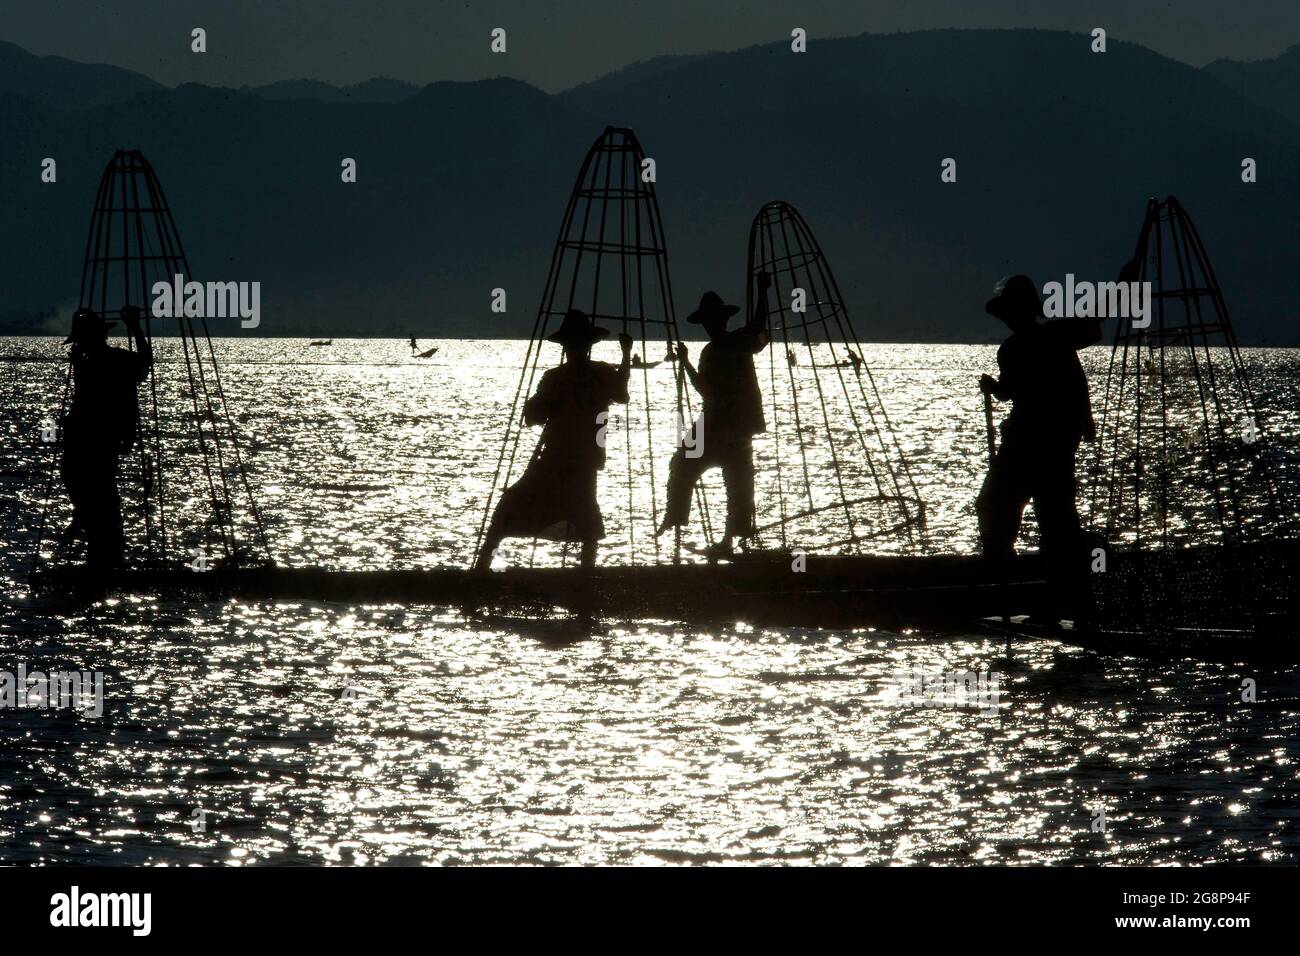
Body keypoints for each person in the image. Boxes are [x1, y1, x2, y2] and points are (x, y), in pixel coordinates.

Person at [475, 309, 632, 570]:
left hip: (557, 457)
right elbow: (622, 395)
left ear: (566, 345)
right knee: (585, 515)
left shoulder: (556, 377)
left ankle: (482, 567)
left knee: (511, 506)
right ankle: (586, 575)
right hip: (586, 458)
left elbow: (534, 416)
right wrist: (626, 355)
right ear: (589, 344)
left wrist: (537, 404)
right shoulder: (601, 372)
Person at [976, 275, 1101, 562]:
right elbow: (1010, 392)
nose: (1008, 320)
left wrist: (994, 388)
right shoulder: (1023, 346)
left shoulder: (1043, 341)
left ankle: (1014, 566)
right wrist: (994, 387)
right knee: (1043, 510)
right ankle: (1012, 564)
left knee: (1012, 505)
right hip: (1045, 440)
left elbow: (1071, 381)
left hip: (1037, 441)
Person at [657, 272, 772, 558]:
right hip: (730, 426)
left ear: (719, 320)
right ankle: (712, 531)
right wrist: (685, 362)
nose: (710, 326)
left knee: (696, 469)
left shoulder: (730, 345)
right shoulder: (725, 346)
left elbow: (759, 325)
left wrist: (762, 291)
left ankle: (691, 523)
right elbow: (705, 389)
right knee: (733, 482)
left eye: (712, 320)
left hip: (721, 427)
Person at [60, 305, 152, 568]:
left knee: (98, 503)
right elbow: (145, 363)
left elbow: (143, 364)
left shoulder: (104, 362)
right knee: (99, 503)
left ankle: (103, 563)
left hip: (93, 446)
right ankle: (104, 558)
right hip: (93, 445)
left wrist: (134, 326)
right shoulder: (102, 362)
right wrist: (134, 326)